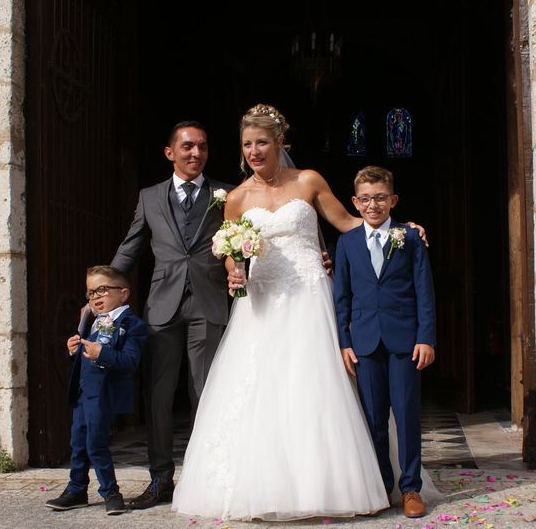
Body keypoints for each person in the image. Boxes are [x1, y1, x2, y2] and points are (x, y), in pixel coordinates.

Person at [172, 104, 404, 521]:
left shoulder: (308, 180)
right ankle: (264, 488)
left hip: (310, 296)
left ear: (280, 142)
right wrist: (233, 272)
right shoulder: (237, 198)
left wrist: (400, 231)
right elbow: (229, 251)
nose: (254, 152)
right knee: (261, 389)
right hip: (260, 302)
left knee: (314, 386)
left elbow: (349, 223)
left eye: (262, 142)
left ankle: (331, 484)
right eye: (247, 145)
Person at [109, 121, 235, 509]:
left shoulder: (224, 194)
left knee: (205, 393)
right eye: (187, 147)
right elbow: (131, 247)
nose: (195, 153)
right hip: (162, 305)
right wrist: (103, 291)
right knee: (159, 397)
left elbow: (246, 239)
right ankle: (160, 479)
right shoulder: (149, 197)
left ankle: (205, 479)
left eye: (202, 147)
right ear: (170, 153)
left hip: (210, 300)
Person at [332, 166, 436, 518]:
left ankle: (410, 489)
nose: (372, 205)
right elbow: (341, 296)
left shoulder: (409, 238)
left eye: (379, 198)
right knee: (373, 418)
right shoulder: (346, 243)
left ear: (392, 200)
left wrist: (426, 337)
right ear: (355, 202)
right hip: (364, 341)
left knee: (406, 414)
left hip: (404, 339)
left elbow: (424, 291)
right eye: (365, 198)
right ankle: (380, 485)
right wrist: (345, 341)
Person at [46, 265, 147, 516]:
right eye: (91, 292)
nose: (95, 297)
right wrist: (74, 352)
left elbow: (130, 361)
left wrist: (102, 352)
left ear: (123, 294)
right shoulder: (91, 321)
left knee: (96, 443)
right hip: (83, 393)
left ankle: (111, 491)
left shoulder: (131, 324)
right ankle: (76, 489)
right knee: (77, 442)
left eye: (102, 290)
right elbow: (86, 354)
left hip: (103, 394)